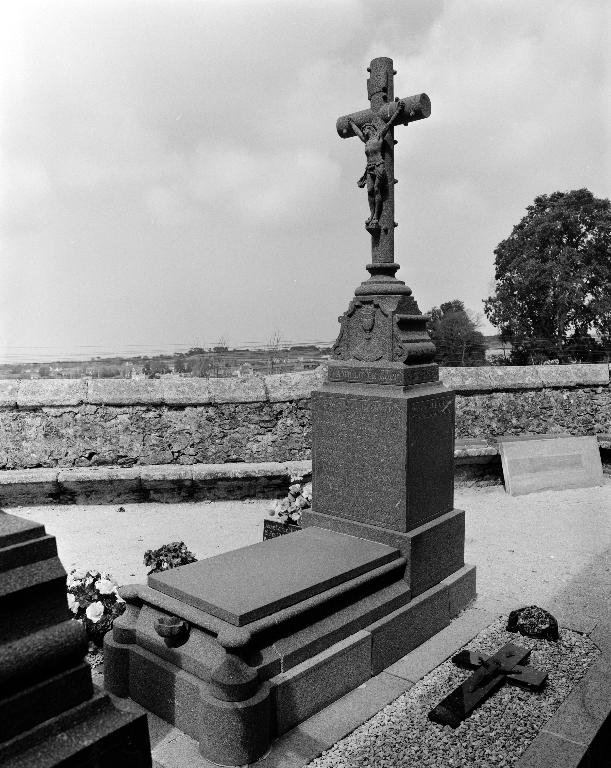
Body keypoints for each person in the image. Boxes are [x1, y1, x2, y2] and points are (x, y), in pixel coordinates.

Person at [350, 100, 405, 228]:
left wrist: (398, 110)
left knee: (376, 189)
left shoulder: (379, 137)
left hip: (379, 165)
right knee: (370, 191)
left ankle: (376, 216)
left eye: (366, 129)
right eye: (363, 130)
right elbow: (358, 133)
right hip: (369, 168)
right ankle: (372, 214)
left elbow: (389, 123)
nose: (364, 131)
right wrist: (352, 124)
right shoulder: (367, 141)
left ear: (371, 129)